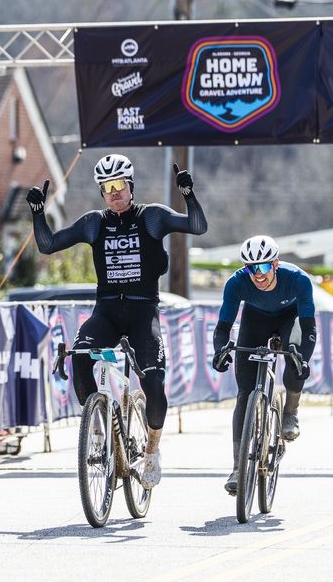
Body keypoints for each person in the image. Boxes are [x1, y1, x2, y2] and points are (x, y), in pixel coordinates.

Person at [26, 154, 207, 489]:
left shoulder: (151, 217)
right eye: (107, 187)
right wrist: (38, 214)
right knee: (80, 358)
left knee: (153, 381)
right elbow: (48, 245)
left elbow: (197, 226)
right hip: (106, 312)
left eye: (119, 185)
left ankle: (152, 449)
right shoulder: (94, 223)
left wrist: (188, 194)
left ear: (130, 186)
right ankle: (98, 431)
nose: (113, 192)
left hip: (142, 313)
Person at [211, 235, 317, 496]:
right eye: (251, 268)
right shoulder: (236, 283)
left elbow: (308, 327)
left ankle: (290, 411)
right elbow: (223, 327)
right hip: (255, 320)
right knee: (244, 394)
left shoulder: (298, 280)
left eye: (264, 267)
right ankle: (238, 468)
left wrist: (304, 358)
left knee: (294, 357)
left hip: (289, 318)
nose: (258, 274)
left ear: (276, 264)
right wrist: (220, 351)